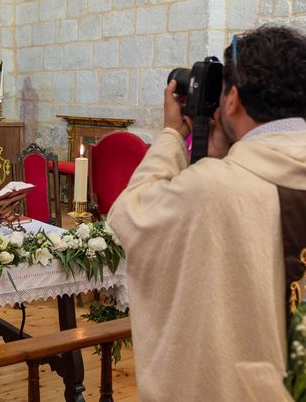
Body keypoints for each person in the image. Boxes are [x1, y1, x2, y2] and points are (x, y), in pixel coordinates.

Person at [107, 25, 306, 402]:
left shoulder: (212, 189)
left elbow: (128, 220)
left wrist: (171, 135)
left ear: (231, 100)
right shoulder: (218, 181)